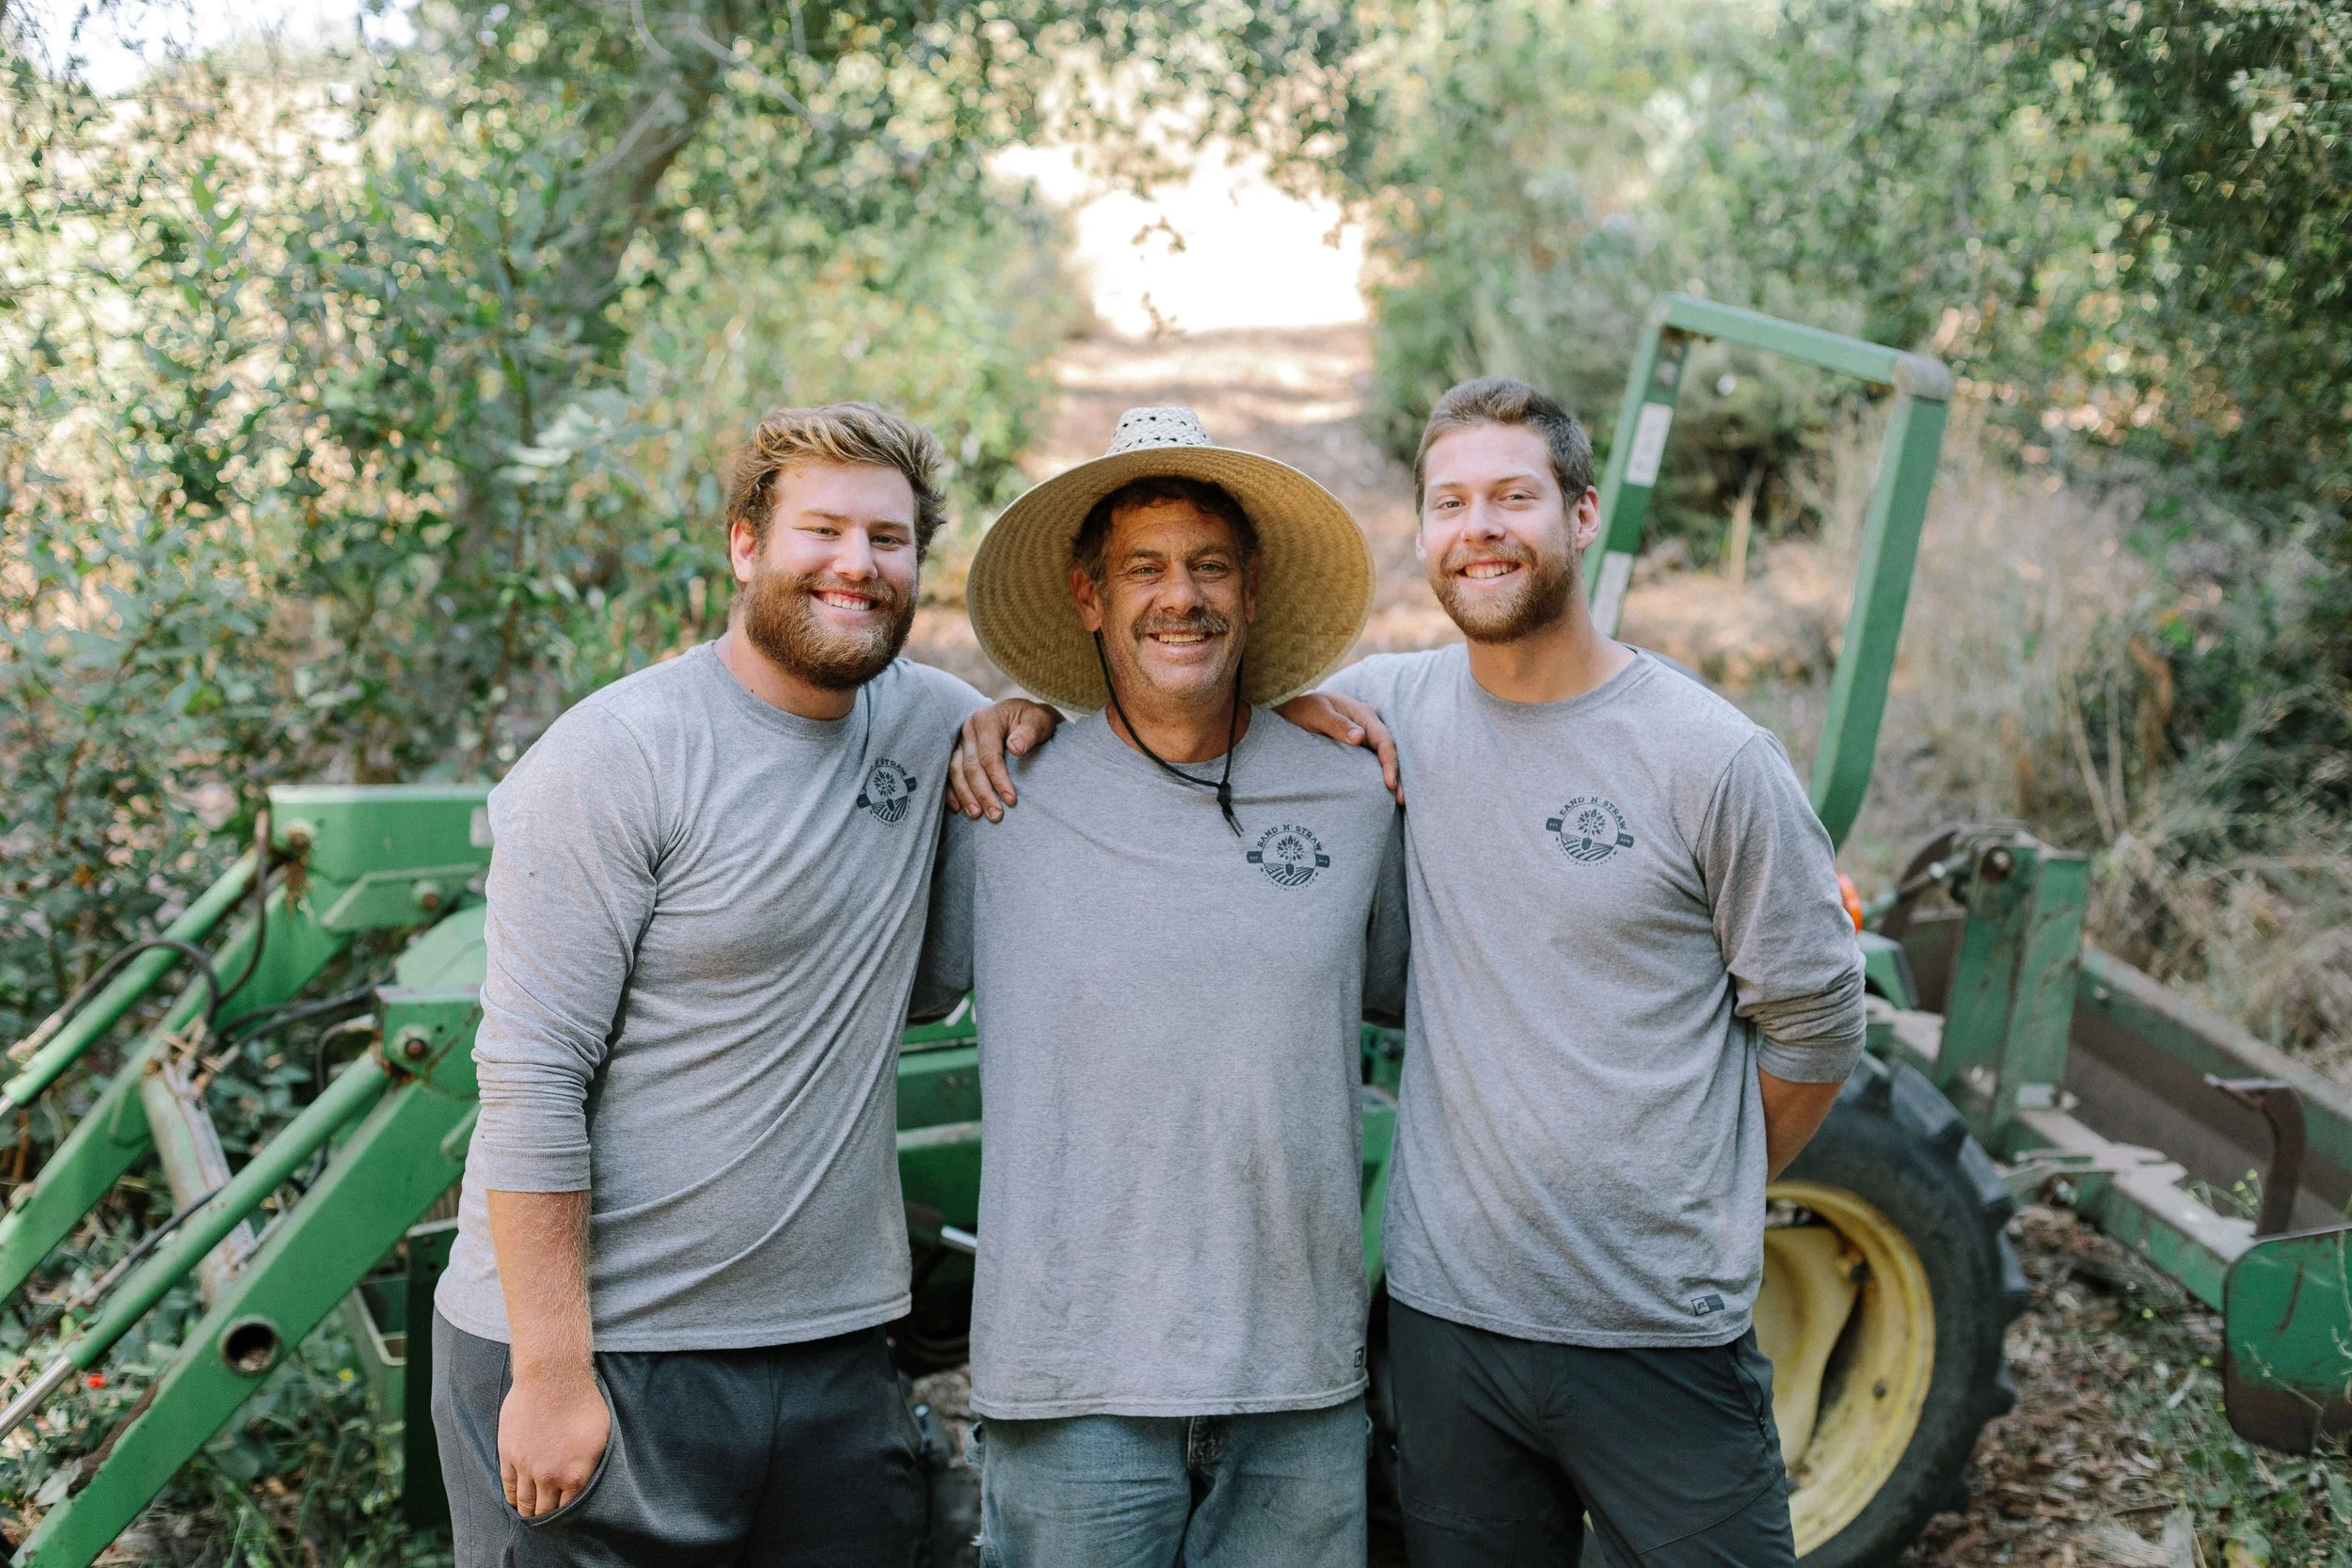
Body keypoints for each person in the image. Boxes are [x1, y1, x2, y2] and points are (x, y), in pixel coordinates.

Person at [950, 377, 1866, 1567]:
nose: (1180, 595)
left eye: (1513, 496)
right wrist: (1005, 715)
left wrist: (1700, 1192)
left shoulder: (1672, 756)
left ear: (1582, 514)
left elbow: (1816, 1021)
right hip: (1372, 1345)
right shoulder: (1024, 789)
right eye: (1451, 501)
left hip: (1568, 1338)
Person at [431, 402, 1029, 1568]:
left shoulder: (933, 727)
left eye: (889, 539)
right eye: (822, 530)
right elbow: (531, 1078)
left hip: (833, 1349)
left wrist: (1030, 715)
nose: (857, 563)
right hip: (605, 1349)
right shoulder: (619, 755)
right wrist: (550, 1373)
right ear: (745, 544)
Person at [916, 405, 1408, 1568]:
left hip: (1297, 1385)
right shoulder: (998, 798)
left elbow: (1427, 997)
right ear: (1088, 596)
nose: (1179, 596)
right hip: (1071, 1383)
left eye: (1209, 565)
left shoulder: (1351, 794)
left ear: (1252, 588)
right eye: (1144, 567)